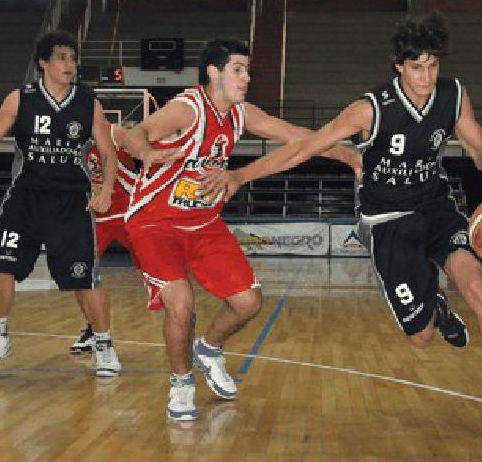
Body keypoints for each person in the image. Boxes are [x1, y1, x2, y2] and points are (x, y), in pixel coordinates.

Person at [200, 12, 482, 446]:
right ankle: (435, 308)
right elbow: (303, 149)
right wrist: (240, 177)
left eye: (432, 65)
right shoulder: (369, 109)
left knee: (479, 287)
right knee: (422, 336)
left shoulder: (453, 96)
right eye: (416, 67)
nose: (426, 76)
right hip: (387, 222)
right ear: (398, 65)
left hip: (435, 207)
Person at [110, 39, 361, 422]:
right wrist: (147, 153)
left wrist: (346, 154)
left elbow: (297, 136)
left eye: (247, 69)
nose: (246, 77)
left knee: (248, 302)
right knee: (181, 303)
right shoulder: (187, 108)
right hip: (154, 225)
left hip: (204, 224)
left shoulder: (241, 114)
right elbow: (135, 133)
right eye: (238, 69)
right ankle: (181, 383)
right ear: (214, 72)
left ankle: (208, 349)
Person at [0, 31, 122, 377]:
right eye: (61, 57)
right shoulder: (20, 99)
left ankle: (103, 344)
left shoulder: (88, 102)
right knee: (2, 265)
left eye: (73, 59)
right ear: (43, 63)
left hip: (71, 202)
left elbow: (108, 152)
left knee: (84, 279)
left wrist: (105, 190)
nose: (69, 64)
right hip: (25, 199)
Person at [70, 118, 145, 354]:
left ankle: (182, 321)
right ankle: (93, 330)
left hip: (130, 211)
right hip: (95, 216)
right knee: (78, 273)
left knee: (156, 273)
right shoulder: (69, 141)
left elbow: (147, 154)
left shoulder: (115, 133)